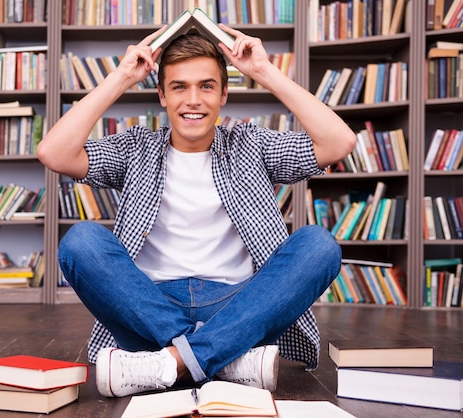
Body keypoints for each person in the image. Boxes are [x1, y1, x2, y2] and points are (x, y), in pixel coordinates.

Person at [37, 23, 356, 398]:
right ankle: (224, 359)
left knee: (319, 246)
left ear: (223, 95)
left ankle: (170, 363)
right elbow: (53, 153)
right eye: (179, 87)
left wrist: (264, 72)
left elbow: (339, 143)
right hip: (148, 308)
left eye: (206, 86)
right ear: (162, 95)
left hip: (239, 307)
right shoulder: (137, 148)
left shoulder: (250, 143)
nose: (193, 100)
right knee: (81, 242)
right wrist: (122, 76)